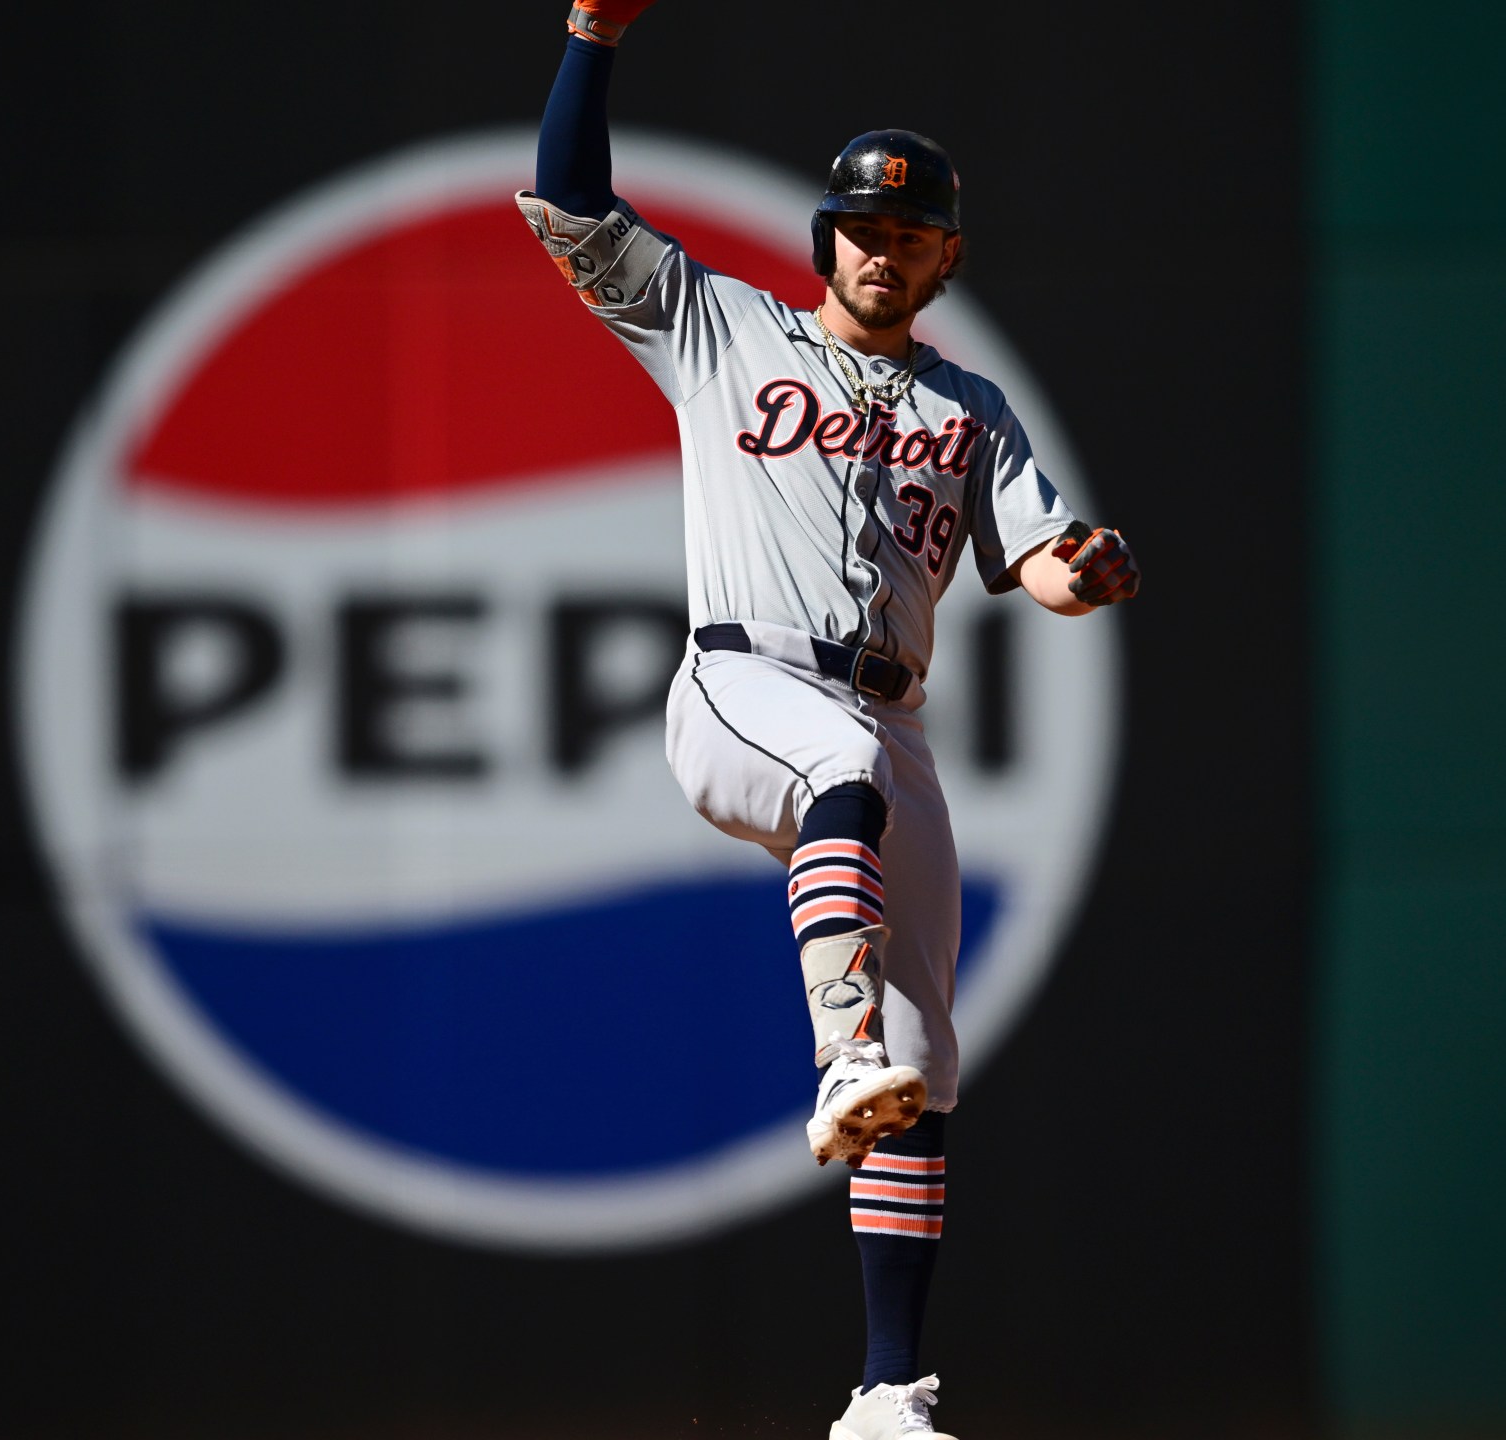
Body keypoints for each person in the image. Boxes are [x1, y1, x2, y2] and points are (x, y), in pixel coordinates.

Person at [517, 3, 1139, 1435]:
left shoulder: (971, 408)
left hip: (886, 718)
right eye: (861, 226)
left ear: (946, 258)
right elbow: (566, 196)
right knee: (841, 773)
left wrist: (1084, 569)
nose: (882, 246)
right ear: (826, 239)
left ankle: (885, 1390)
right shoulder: (717, 325)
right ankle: (832, 1040)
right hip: (738, 683)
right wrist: (592, 33)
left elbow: (1036, 563)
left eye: (910, 233)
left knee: (925, 1063)